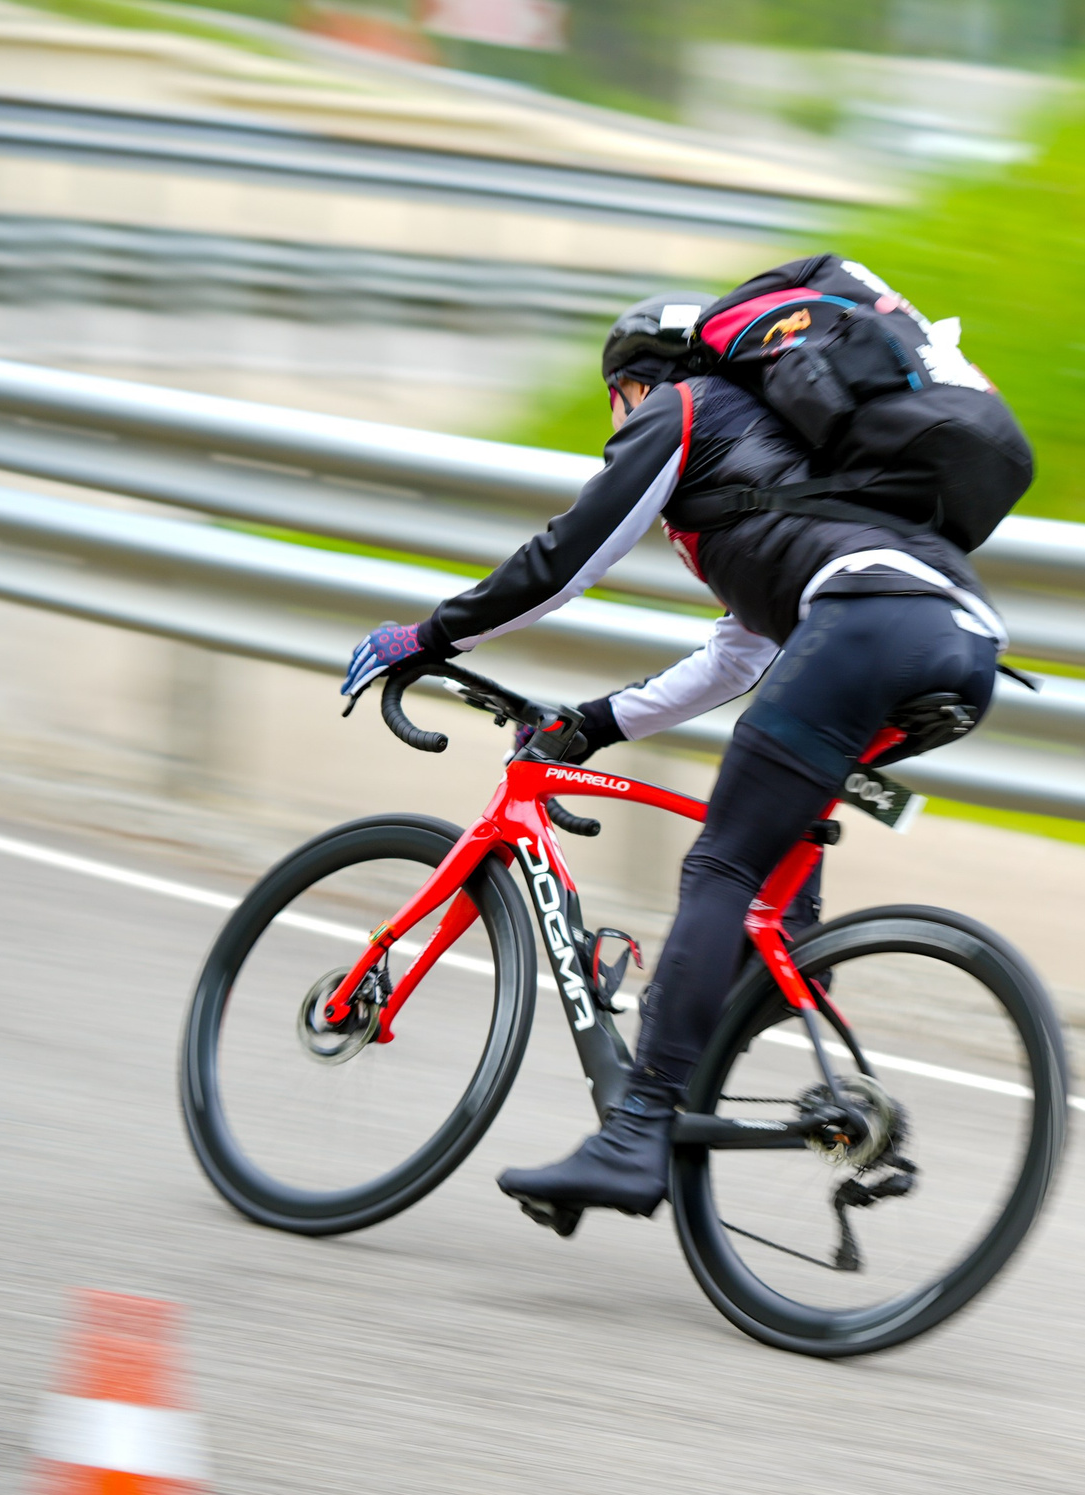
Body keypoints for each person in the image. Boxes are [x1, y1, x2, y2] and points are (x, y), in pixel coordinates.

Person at [339, 280, 1010, 1235]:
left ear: (634, 385)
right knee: (764, 873)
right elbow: (744, 649)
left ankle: (636, 1132)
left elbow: (567, 556)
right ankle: (756, 1006)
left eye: (614, 403)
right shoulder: (779, 472)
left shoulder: (686, 410)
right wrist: (600, 722)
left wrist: (429, 636)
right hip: (955, 644)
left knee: (721, 863)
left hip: (874, 624)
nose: (617, 422)